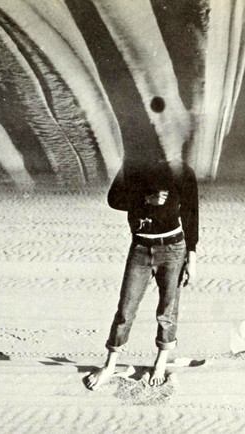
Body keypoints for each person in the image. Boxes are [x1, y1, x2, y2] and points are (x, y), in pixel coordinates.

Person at [84, 159, 198, 389]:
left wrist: (192, 258)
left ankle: (160, 363)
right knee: (125, 310)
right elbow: (114, 199)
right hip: (140, 249)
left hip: (173, 249)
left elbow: (191, 213)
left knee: (167, 311)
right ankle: (110, 365)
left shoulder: (182, 170)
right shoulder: (133, 165)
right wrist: (146, 198)